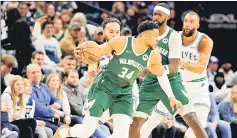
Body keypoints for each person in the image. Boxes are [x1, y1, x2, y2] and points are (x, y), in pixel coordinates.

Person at [53, 20, 182, 138]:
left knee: (122, 135)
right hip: (104, 88)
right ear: (146, 35)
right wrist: (81, 52)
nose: (158, 39)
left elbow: (161, 75)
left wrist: (170, 96)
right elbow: (97, 52)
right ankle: (64, 132)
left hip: (124, 93)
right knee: (87, 131)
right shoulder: (121, 42)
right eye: (156, 35)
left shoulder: (153, 56)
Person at [131, 5, 207, 138]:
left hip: (171, 81)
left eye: (159, 14)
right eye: (154, 14)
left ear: (168, 16)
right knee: (135, 123)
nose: (155, 17)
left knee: (193, 121)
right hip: (150, 83)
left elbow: (174, 67)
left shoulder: (173, 36)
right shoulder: (145, 35)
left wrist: (150, 70)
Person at [27, 63, 63, 132]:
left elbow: (57, 100)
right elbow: (38, 108)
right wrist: (52, 112)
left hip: (51, 118)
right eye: (33, 72)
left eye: (38, 72)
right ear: (28, 75)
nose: (36, 74)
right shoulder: (29, 89)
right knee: (62, 132)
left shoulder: (44, 86)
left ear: (41, 73)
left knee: (70, 130)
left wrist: (57, 104)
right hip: (40, 119)